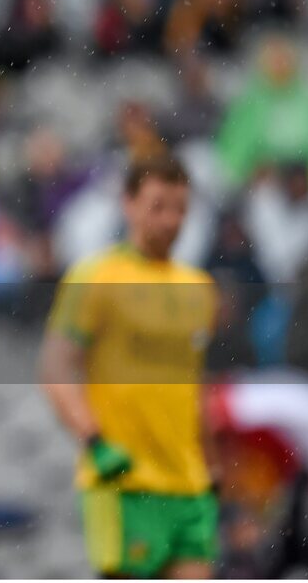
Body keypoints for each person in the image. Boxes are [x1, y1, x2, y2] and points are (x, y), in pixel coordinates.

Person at [40, 154, 220, 579]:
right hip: (126, 483)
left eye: (180, 208)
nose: (171, 220)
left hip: (190, 485)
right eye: (158, 206)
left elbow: (195, 384)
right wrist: (94, 441)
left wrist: (213, 464)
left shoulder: (200, 289)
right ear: (128, 204)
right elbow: (55, 368)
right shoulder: (96, 278)